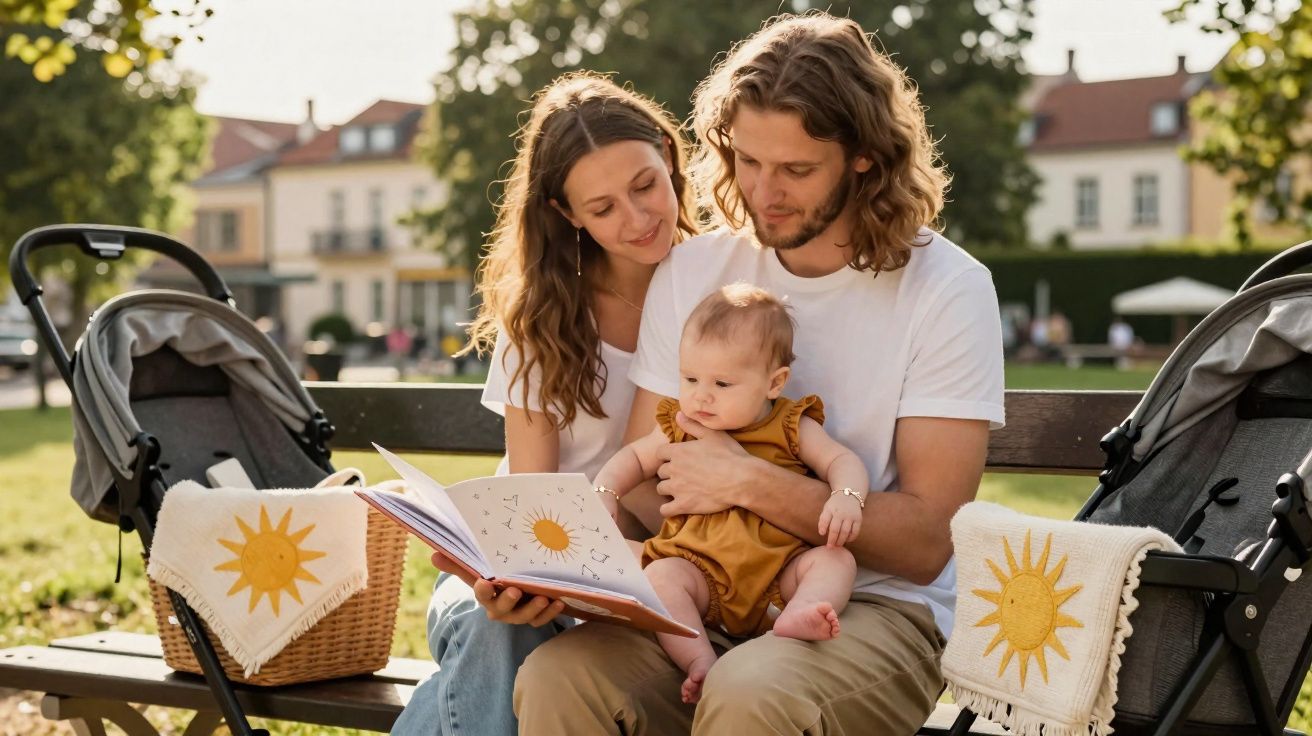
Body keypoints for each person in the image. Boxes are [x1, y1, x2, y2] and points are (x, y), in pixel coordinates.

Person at [513, 12, 1005, 735]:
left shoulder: (946, 289)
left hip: (870, 602)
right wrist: (569, 563)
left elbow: (929, 541)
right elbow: (651, 486)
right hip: (707, 588)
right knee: (560, 677)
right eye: (747, 161)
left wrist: (750, 482)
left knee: (750, 691)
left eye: (796, 170)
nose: (763, 192)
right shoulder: (693, 270)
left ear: (865, 157)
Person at [389, 71, 697, 736]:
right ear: (567, 213)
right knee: (499, 630)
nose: (638, 218)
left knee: (468, 686)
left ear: (670, 157)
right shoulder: (543, 317)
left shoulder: (719, 289)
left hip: (646, 566)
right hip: (537, 568)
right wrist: (528, 582)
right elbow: (531, 499)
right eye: (603, 207)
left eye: (646, 185)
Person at [592, 283, 866, 704]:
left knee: (836, 560)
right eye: (690, 378)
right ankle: (699, 659)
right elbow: (633, 458)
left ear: (774, 383)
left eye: (722, 383)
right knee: (661, 578)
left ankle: (801, 612)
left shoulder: (790, 425)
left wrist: (846, 495)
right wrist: (605, 490)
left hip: (779, 576)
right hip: (700, 575)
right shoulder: (681, 425)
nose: (701, 395)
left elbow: (840, 460)